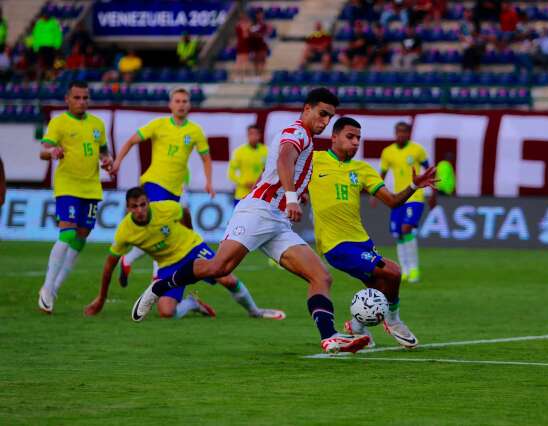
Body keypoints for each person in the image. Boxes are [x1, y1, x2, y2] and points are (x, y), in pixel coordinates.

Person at [132, 88, 371, 354]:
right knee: (218, 268)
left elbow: (279, 169)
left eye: (330, 117)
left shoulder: (307, 140)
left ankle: (330, 337)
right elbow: (284, 160)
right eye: (322, 114)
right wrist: (292, 197)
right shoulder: (297, 133)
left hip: (278, 221)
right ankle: (159, 287)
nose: (325, 122)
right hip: (258, 211)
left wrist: (294, 196)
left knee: (321, 276)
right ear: (307, 109)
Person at [308, 117, 438, 348]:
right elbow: (285, 170)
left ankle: (356, 328)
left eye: (358, 138)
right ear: (334, 136)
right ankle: (393, 321)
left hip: (362, 241)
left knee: (380, 286)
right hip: (335, 244)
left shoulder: (363, 169)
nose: (355, 142)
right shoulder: (313, 161)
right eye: (350, 137)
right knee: (394, 272)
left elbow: (392, 201)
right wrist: (291, 197)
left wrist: (414, 186)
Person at [84, 187, 286, 320]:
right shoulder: (124, 232)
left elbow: (185, 212)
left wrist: (190, 232)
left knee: (228, 279)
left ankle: (254, 311)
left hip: (192, 249)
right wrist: (101, 298)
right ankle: (192, 303)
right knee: (166, 312)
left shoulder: (166, 208)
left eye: (143, 204)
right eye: (134, 206)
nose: (140, 210)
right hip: (168, 265)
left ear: (148, 202)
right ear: (127, 208)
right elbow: (109, 264)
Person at [110, 87, 214, 284]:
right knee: (161, 230)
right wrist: (117, 162)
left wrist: (209, 181)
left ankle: (129, 259)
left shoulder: (195, 131)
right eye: (177, 101)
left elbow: (206, 158)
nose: (181, 105)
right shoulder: (158, 125)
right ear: (170, 104)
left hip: (175, 190)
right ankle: (157, 278)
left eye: (184, 101)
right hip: (154, 183)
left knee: (166, 231)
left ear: (189, 104)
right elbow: (131, 141)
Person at [38, 80, 113, 313]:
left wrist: (107, 160)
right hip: (68, 185)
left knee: (81, 238)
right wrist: (52, 152)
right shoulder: (58, 122)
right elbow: (43, 151)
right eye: (77, 98)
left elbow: (103, 151)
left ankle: (55, 288)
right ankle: (47, 289)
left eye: (85, 98)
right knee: (68, 232)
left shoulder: (97, 124)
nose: (82, 102)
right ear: (67, 99)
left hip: (91, 188)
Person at [379, 122, 433, 284]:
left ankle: (414, 269)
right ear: (395, 133)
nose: (401, 135)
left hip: (415, 196)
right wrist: (376, 195)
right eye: (399, 132)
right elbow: (382, 174)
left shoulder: (417, 150)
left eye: (405, 132)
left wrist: (433, 193)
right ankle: (405, 269)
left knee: (406, 228)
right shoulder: (388, 152)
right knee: (399, 234)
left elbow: (429, 170)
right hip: (398, 198)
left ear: (409, 134)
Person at [228, 124, 268, 206]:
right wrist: (244, 182)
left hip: (260, 195)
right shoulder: (239, 152)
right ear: (247, 135)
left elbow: (270, 171)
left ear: (259, 135)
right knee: (238, 218)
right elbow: (231, 173)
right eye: (251, 134)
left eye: (256, 134)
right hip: (242, 194)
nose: (253, 136)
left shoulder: (266, 151)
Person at [31, 12, 62, 78]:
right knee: (42, 64)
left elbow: (58, 35)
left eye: (46, 15)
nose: (45, 17)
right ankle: (43, 77)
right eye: (44, 15)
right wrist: (35, 47)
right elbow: (35, 36)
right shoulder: (39, 24)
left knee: (52, 63)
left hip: (51, 46)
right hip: (41, 47)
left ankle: (52, 77)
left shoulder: (54, 23)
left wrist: (57, 45)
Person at [235, 12, 251, 81]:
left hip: (240, 44)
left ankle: (239, 76)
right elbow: (245, 36)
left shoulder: (237, 25)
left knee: (239, 61)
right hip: (243, 44)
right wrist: (247, 28)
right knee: (244, 61)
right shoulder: (243, 26)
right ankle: (242, 77)